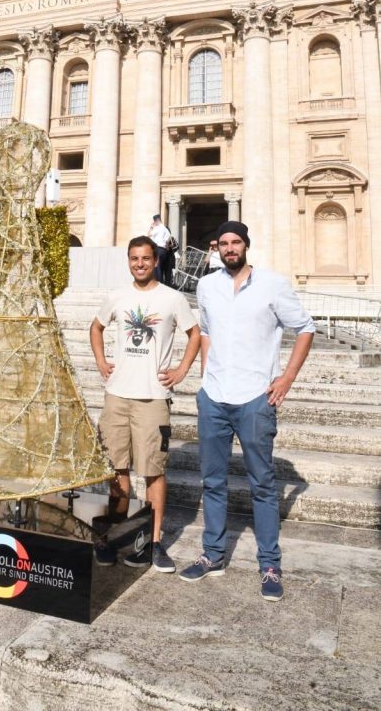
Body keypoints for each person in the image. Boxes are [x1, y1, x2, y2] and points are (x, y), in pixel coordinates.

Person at [179, 221, 315, 601]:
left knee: (263, 485)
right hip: (215, 397)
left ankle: (270, 564)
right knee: (213, 481)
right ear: (216, 248)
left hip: (256, 398)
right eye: (223, 243)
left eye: (235, 242)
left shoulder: (274, 284)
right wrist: (206, 380)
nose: (230, 248)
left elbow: (305, 328)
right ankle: (213, 554)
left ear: (246, 246)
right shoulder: (207, 285)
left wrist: (286, 378)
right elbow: (205, 331)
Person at [90, 236, 200, 570]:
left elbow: (194, 334)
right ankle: (110, 536)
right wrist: (101, 360)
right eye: (134, 258)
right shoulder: (117, 296)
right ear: (129, 261)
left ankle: (153, 543)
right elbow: (95, 328)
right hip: (118, 395)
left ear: (156, 261)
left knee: (153, 470)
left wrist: (181, 370)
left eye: (146, 258)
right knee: (116, 469)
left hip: (154, 397)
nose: (140, 264)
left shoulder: (172, 298)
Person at [148, 213, 171, 284]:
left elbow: (148, 235)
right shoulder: (166, 229)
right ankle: (160, 283)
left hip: (157, 249)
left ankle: (158, 284)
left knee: (157, 268)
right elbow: (168, 241)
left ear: (156, 221)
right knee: (160, 267)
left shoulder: (158, 228)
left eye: (154, 222)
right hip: (164, 250)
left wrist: (151, 227)